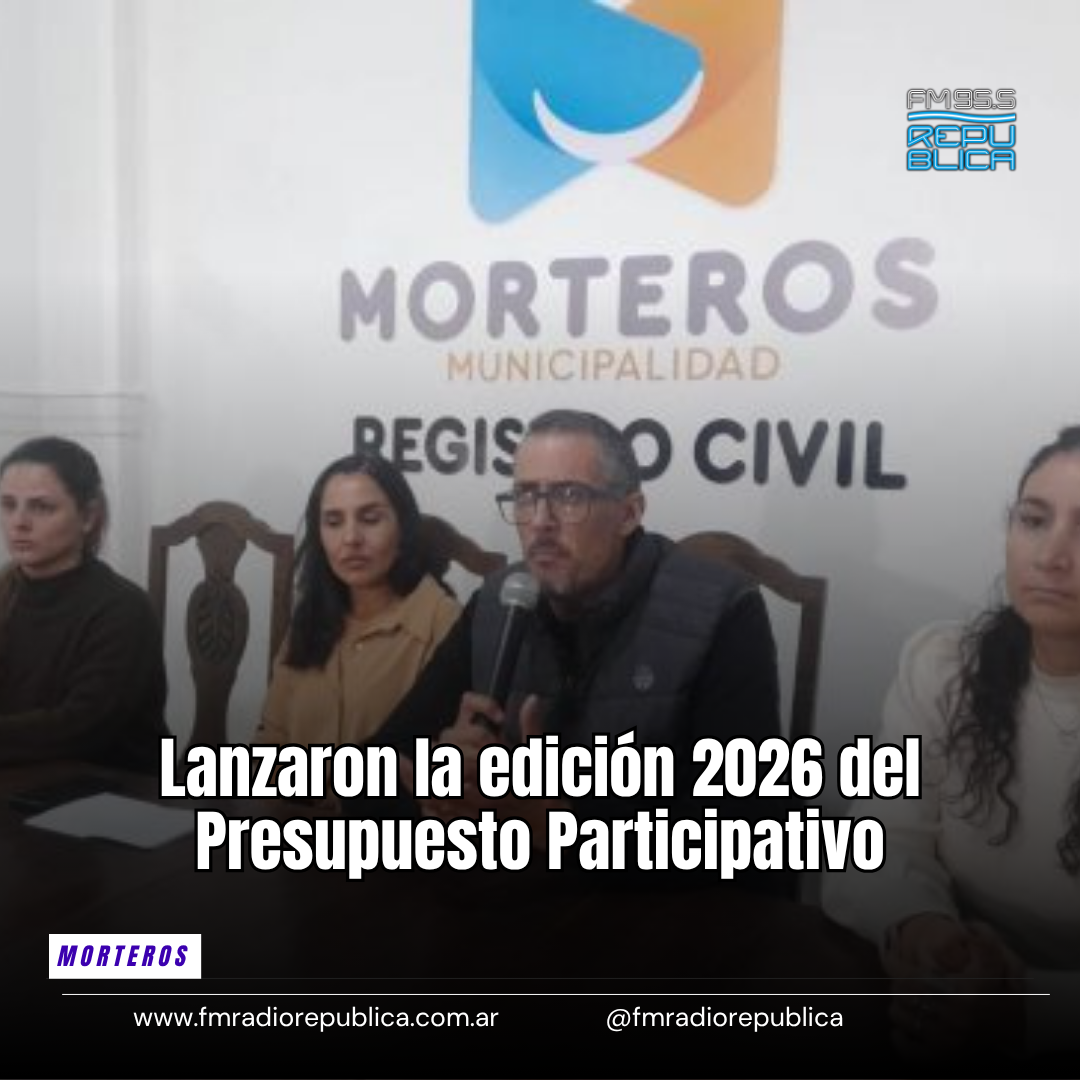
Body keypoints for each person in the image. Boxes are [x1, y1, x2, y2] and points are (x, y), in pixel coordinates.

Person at [355, 409, 786, 892]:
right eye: (525, 497)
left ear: (629, 513)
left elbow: (753, 837)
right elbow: (372, 776)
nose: (540, 522)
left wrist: (562, 825)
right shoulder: (499, 602)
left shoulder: (720, 611)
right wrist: (436, 786)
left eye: (568, 496)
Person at [823, 425, 1080, 1062]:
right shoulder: (943, 666)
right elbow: (874, 841)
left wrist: (1024, 1013)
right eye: (1034, 520)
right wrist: (923, 931)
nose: (1052, 555)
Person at [252, 451, 461, 754]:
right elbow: (272, 736)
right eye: (333, 522)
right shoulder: (311, 616)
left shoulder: (442, 621)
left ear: (403, 527)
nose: (351, 538)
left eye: (370, 519)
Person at [0, 435, 167, 772]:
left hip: (115, 785)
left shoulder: (123, 608)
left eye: (41, 507)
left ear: (88, 516)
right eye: (7, 505)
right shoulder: (6, 589)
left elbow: (80, 729)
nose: (19, 522)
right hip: (21, 775)